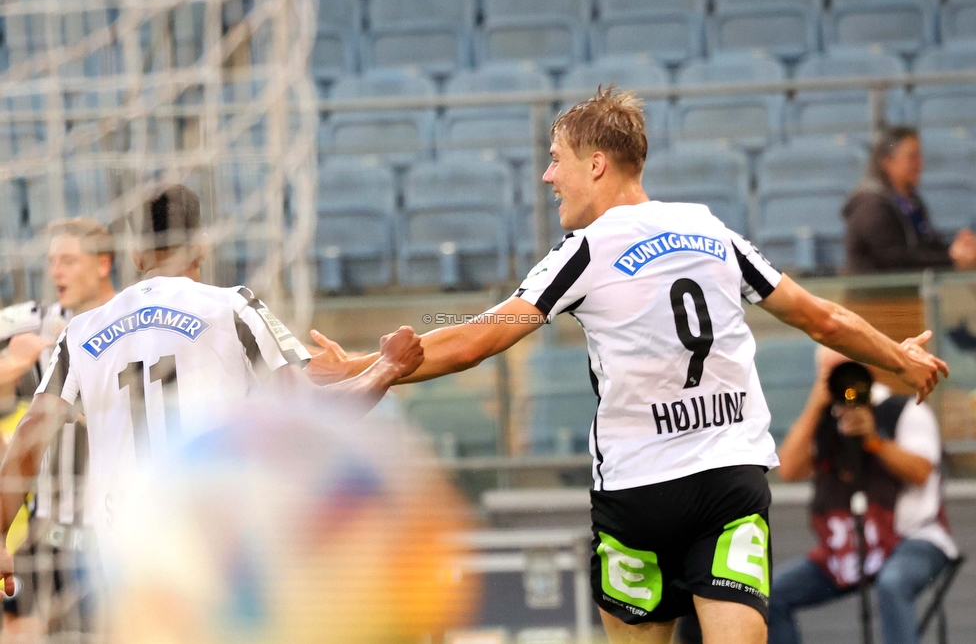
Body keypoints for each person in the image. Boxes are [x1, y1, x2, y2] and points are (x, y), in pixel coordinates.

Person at [319, 87, 949, 644]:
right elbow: (823, 320)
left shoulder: (585, 251)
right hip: (729, 475)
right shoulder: (711, 231)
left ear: (595, 164)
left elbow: (478, 339)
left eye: (555, 159)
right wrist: (901, 356)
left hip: (639, 492)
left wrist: (361, 365)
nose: (547, 176)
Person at [0, 184, 425, 599]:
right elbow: (308, 415)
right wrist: (388, 367)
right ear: (202, 245)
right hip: (217, 542)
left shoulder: (81, 331)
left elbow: (31, 434)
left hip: (126, 553)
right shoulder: (231, 306)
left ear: (134, 253)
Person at [769, 348, 958, 644]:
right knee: (772, 594)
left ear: (865, 368)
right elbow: (789, 469)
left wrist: (875, 441)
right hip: (848, 545)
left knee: (893, 583)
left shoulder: (904, 408)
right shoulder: (823, 419)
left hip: (913, 537)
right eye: (829, 373)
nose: (840, 380)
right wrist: (815, 406)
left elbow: (921, 472)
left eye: (845, 369)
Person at [0, 217, 117, 635]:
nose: (57, 272)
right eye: (52, 262)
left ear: (103, 264)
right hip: (45, 536)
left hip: (113, 537)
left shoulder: (136, 321)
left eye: (69, 260)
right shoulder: (33, 321)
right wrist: (9, 366)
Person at [843, 125, 976, 274]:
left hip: (908, 295)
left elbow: (927, 246)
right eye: (912, 157)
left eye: (919, 157)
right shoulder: (870, 206)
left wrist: (958, 249)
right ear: (888, 162)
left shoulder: (912, 202)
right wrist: (951, 258)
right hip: (873, 296)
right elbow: (895, 259)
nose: (920, 164)